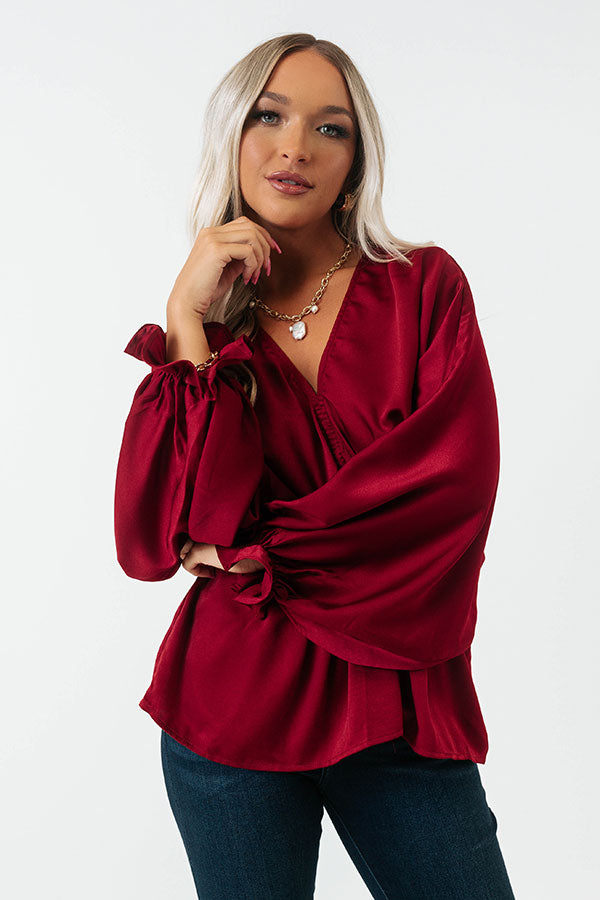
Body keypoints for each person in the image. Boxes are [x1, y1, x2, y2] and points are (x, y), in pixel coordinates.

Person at [114, 32, 516, 900]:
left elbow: (447, 504)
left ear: (355, 161)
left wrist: (257, 554)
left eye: (329, 128)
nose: (295, 146)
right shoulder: (212, 325)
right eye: (269, 116)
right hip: (230, 715)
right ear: (232, 135)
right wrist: (186, 320)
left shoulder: (424, 289)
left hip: (399, 716)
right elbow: (160, 539)